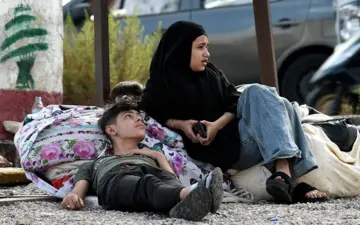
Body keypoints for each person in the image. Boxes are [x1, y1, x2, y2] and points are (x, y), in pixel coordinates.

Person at [139, 21, 328, 204]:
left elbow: (234, 102)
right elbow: (151, 113)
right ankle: (294, 179)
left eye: (207, 46)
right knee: (279, 103)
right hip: (228, 152)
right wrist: (182, 124)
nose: (207, 53)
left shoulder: (211, 74)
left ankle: (283, 172)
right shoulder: (160, 85)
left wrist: (216, 125)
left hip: (237, 134)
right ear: (181, 49)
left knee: (273, 99)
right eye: (200, 47)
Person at [60, 100, 224, 221]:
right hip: (117, 177)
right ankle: (193, 193)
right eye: (128, 117)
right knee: (148, 183)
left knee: (169, 185)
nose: (139, 119)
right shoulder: (97, 163)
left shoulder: (151, 156)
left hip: (154, 173)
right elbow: (78, 189)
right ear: (111, 130)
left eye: (139, 116)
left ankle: (183, 204)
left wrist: (158, 156)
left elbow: (172, 180)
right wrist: (74, 196)